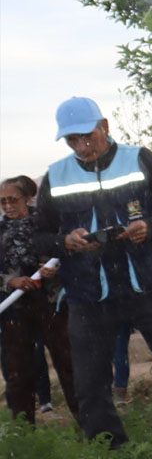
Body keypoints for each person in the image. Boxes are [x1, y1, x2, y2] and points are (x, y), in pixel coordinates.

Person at [33, 97, 152, 448]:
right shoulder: (55, 176)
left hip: (147, 286)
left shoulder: (139, 158)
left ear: (105, 127)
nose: (81, 146)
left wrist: (151, 226)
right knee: (90, 383)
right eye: (71, 140)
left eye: (87, 137)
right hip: (88, 295)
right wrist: (66, 241)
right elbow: (40, 236)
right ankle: (110, 446)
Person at [0, 175, 78, 424]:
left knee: (68, 365)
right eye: (2, 202)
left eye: (13, 199)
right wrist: (10, 282)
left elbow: (68, 254)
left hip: (51, 304)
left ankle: (87, 425)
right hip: (14, 311)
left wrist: (54, 270)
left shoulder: (45, 226)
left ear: (28, 198)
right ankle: (24, 432)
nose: (8, 206)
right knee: (19, 374)